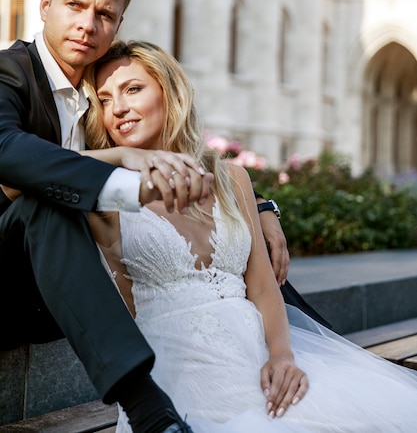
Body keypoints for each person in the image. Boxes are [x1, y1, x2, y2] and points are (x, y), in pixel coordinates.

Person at [83, 39, 417, 433]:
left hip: (261, 356)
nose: (118, 108)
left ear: (170, 92)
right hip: (180, 375)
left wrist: (282, 355)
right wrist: (125, 158)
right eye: (104, 100)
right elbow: (34, 169)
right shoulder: (105, 191)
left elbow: (261, 288)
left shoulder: (232, 179)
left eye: (133, 89)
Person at [0, 0, 219, 433]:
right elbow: (8, 154)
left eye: (104, 13)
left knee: (233, 252)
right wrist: (122, 170)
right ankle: (148, 408)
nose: (87, 24)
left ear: (118, 23)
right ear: (45, 5)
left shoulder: (105, 88)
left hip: (61, 300)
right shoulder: (7, 74)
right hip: (6, 277)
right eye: (75, 5)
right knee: (45, 204)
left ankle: (329, 345)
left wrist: (262, 206)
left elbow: (174, 145)